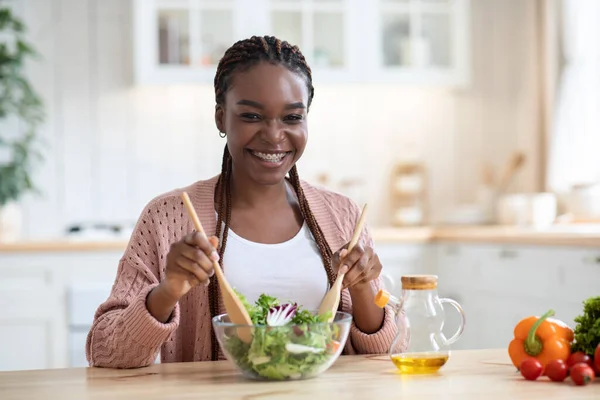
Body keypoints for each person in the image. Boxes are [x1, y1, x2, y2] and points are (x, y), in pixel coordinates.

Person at [86, 35, 396, 368]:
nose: (274, 135)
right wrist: (169, 290)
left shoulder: (344, 216)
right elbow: (105, 352)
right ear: (221, 117)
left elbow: (386, 355)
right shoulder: (167, 218)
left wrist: (363, 290)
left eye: (292, 118)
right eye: (251, 116)